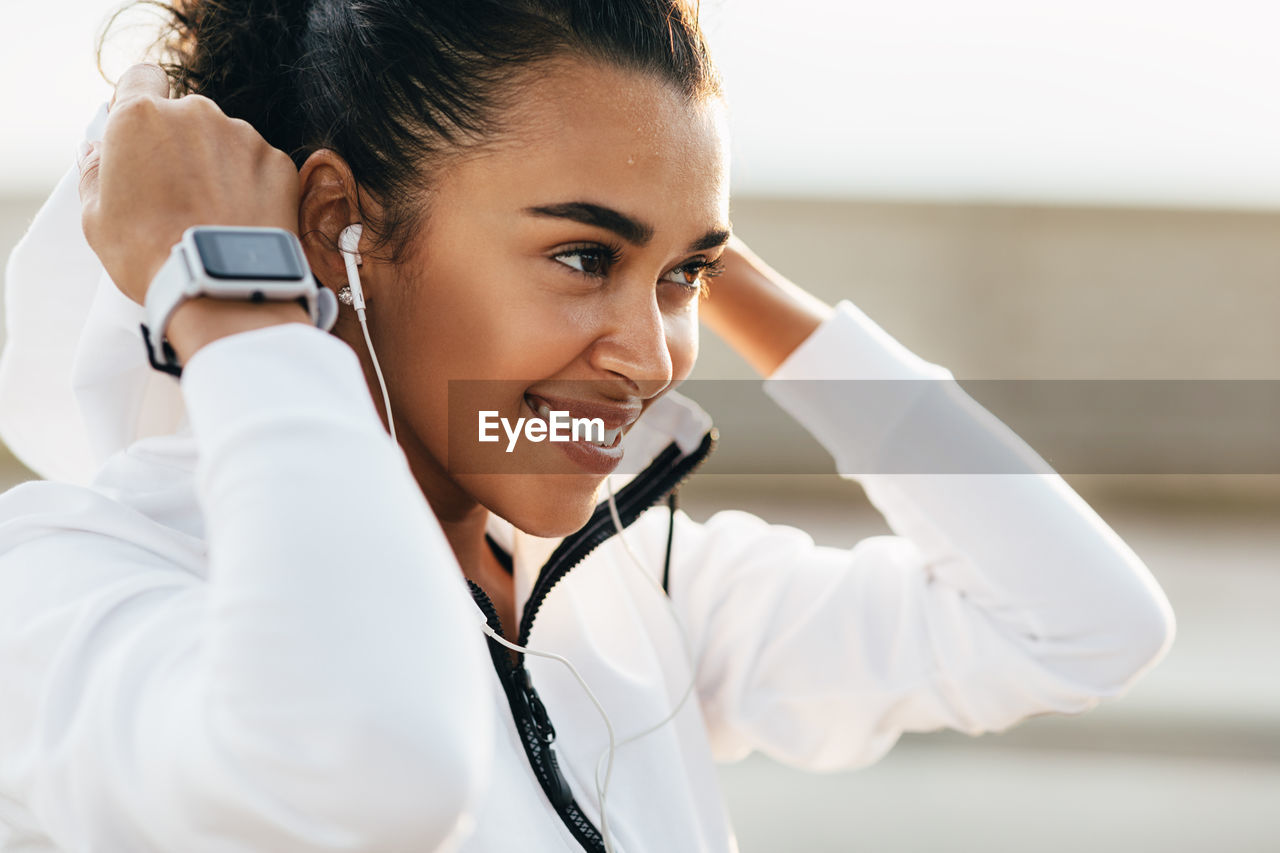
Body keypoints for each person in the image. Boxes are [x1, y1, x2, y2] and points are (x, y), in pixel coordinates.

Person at [0, 1, 1175, 850]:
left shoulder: (627, 580)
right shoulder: (71, 587)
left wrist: (706, 257)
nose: (657, 355)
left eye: (684, 282)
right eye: (580, 254)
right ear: (330, 227)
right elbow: (361, 765)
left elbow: (1082, 625)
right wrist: (241, 302)